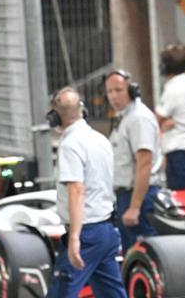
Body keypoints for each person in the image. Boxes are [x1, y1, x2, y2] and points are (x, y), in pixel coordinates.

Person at [46, 87, 126, 298]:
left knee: (60, 294)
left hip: (86, 233)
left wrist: (74, 239)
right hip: (107, 230)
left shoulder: (70, 145)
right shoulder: (100, 139)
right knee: (113, 294)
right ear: (83, 110)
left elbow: (77, 190)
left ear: (54, 117)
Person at [104, 69, 162, 253]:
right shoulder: (125, 118)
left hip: (139, 197)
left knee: (144, 254)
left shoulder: (138, 118)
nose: (114, 96)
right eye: (109, 91)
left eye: (118, 90)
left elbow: (144, 162)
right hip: (127, 196)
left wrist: (135, 207)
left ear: (131, 90)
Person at [155, 44, 185, 190]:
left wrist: (162, 126)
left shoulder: (173, 87)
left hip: (179, 155)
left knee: (181, 204)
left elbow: (156, 119)